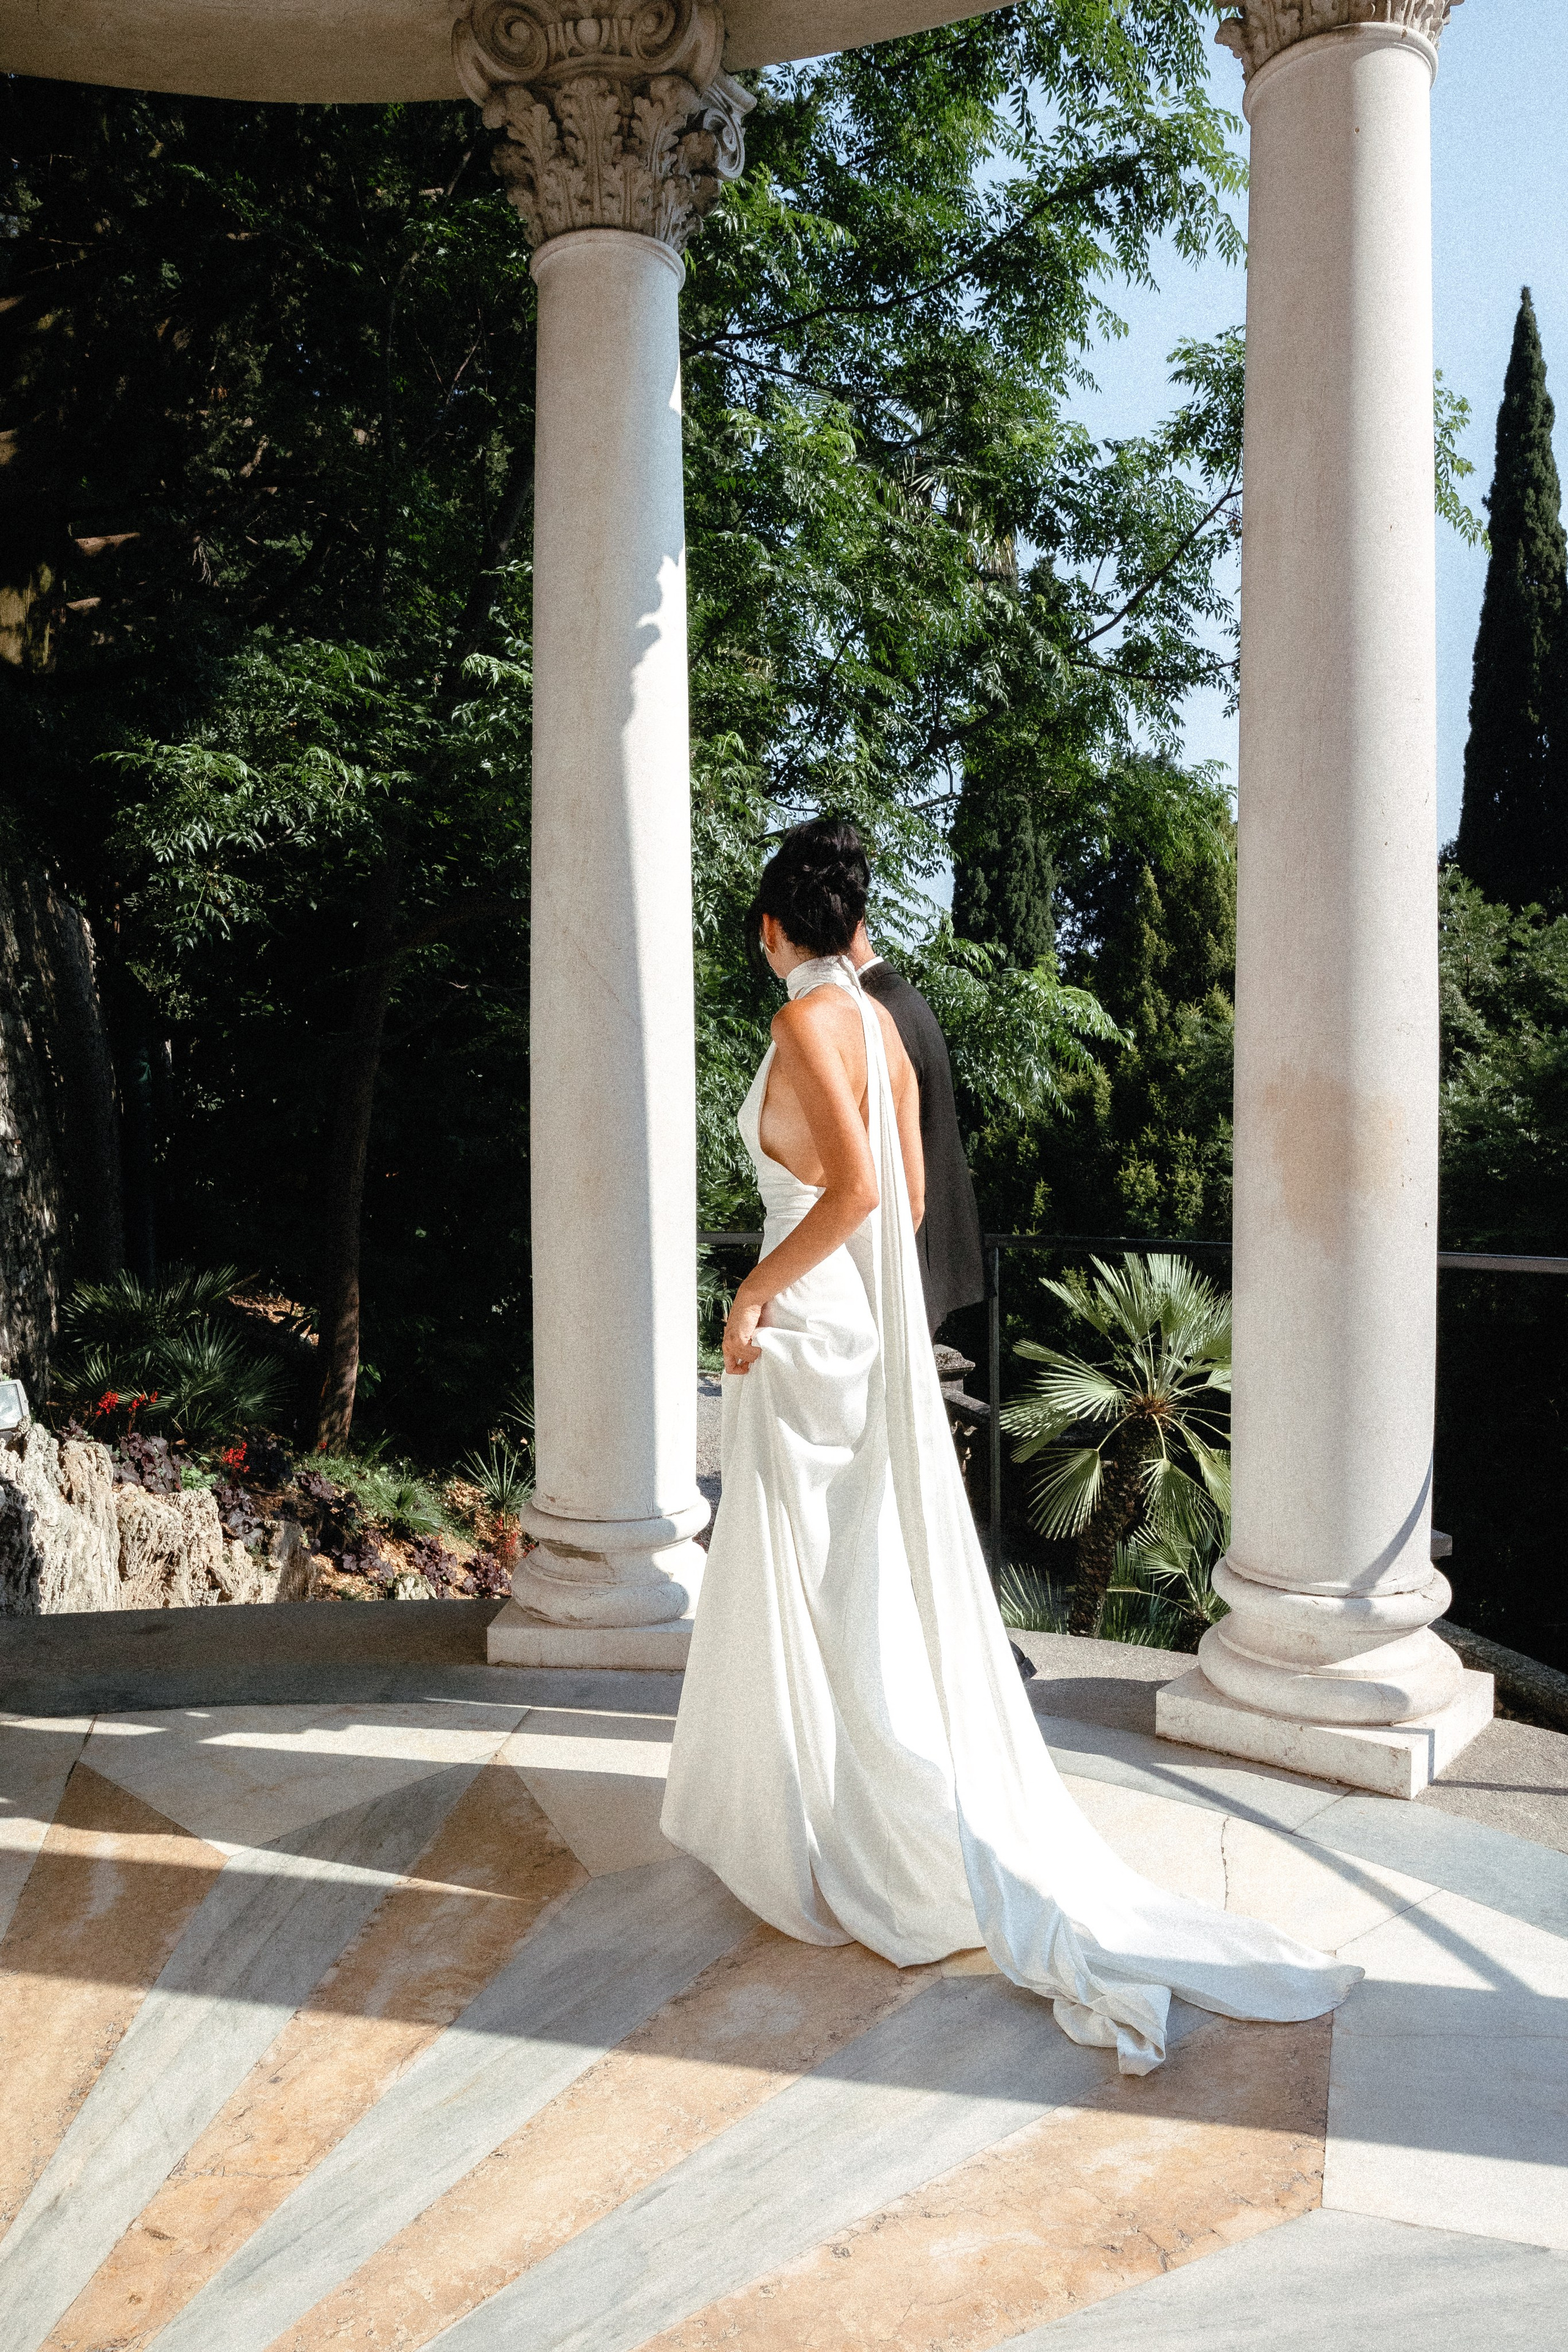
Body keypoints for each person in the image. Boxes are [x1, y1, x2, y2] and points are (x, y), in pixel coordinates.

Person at [661, 817, 1360, 2076]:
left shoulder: (801, 1024)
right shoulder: (877, 1020)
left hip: (807, 1338)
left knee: (816, 1591)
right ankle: (835, 1812)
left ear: (772, 929)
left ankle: (864, 1836)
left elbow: (861, 1196)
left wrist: (750, 1292)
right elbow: (914, 1200)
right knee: (847, 1585)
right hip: (858, 1336)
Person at [846, 893, 984, 1339]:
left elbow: (909, 1187)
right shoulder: (902, 999)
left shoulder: (877, 1012)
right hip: (925, 1259)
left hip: (904, 1263)